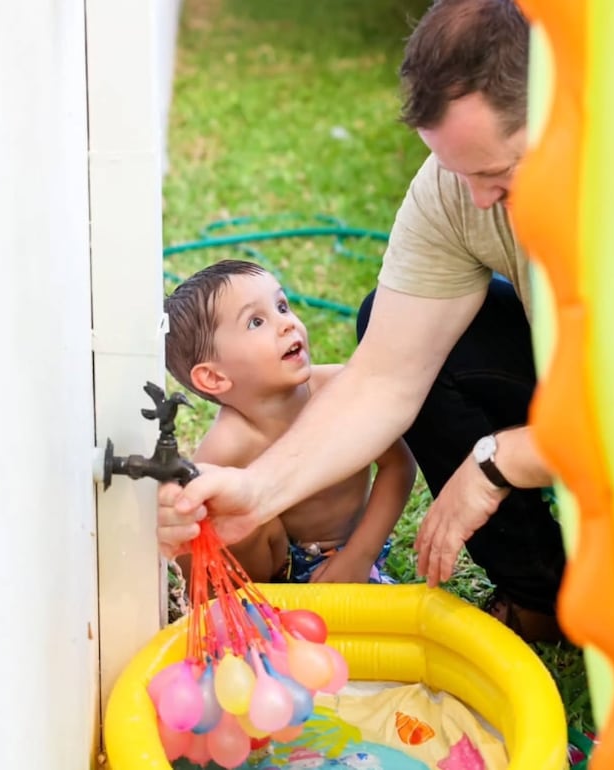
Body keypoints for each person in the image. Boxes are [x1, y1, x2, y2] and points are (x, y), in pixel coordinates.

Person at [156, 0, 567, 642]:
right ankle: (543, 597)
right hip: (573, 379)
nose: (481, 199)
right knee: (400, 327)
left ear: (559, 110)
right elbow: (387, 378)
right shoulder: (455, 192)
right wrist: (258, 492)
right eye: (460, 173)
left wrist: (499, 461)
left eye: (497, 173)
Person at [163, 259, 417, 584]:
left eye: (282, 306)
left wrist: (359, 556)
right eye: (256, 322)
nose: (287, 324)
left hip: (355, 551)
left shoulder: (341, 392)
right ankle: (260, 607)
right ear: (214, 377)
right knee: (225, 515)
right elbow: (193, 541)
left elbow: (399, 467)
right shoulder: (229, 443)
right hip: (278, 565)